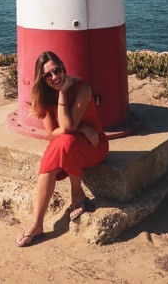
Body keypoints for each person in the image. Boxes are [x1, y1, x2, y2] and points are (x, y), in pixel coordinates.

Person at [16, 50, 109, 247]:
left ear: (63, 67)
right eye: (47, 75)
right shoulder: (43, 95)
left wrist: (63, 93)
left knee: (62, 143)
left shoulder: (83, 88)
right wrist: (82, 127)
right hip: (71, 143)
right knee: (61, 144)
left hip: (95, 146)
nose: (54, 77)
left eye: (57, 70)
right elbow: (53, 132)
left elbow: (65, 127)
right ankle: (37, 223)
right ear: (42, 79)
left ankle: (77, 193)